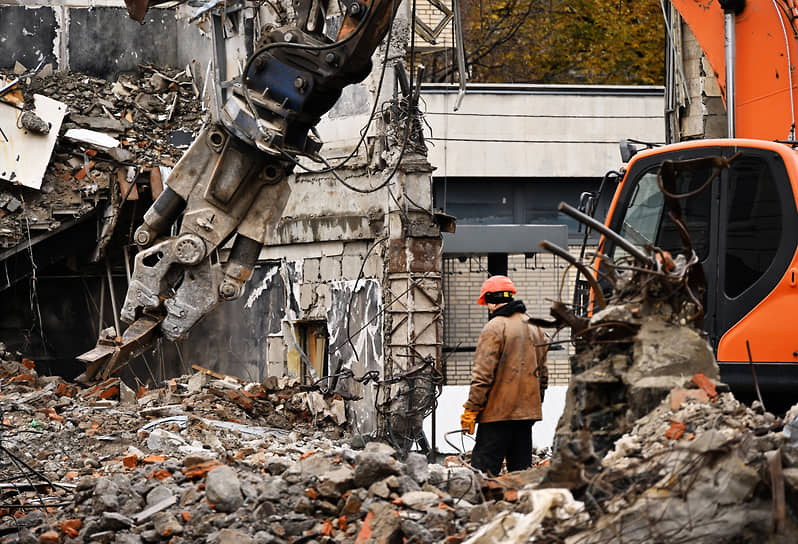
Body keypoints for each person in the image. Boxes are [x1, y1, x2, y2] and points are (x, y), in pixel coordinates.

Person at [460, 275, 548, 476]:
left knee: (483, 473)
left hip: (496, 415)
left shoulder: (494, 327)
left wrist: (472, 409)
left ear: (491, 300)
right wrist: (536, 403)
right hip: (526, 414)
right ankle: (520, 506)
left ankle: (481, 506)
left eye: (487, 303)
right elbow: (543, 375)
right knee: (522, 474)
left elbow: (483, 376)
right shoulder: (535, 326)